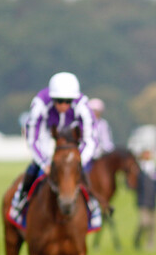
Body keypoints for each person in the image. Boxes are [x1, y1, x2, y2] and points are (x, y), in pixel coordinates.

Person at [14, 72, 98, 214]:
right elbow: (33, 139)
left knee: (85, 171)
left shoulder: (83, 106)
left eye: (68, 101)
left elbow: (91, 139)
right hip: (47, 136)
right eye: (59, 101)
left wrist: (79, 160)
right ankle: (21, 199)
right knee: (35, 169)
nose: (64, 105)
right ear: (52, 98)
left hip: (71, 142)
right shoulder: (40, 104)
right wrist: (44, 163)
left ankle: (92, 205)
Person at [134, 148, 156, 251]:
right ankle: (138, 238)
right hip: (142, 200)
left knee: (153, 224)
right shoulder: (139, 168)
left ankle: (150, 245)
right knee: (144, 222)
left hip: (153, 200)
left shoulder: (155, 168)